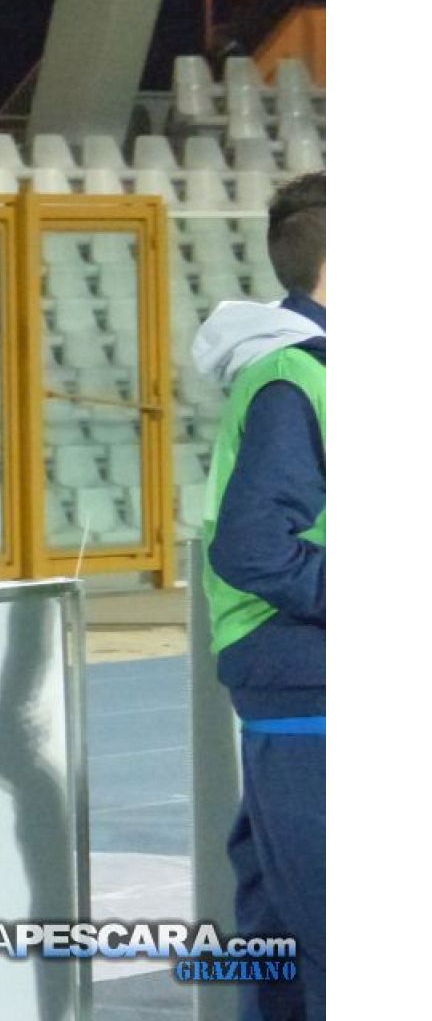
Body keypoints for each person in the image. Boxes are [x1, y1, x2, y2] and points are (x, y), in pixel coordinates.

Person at [193, 169, 326, 1018]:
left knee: (283, 945)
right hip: (312, 685)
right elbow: (253, 547)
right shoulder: (297, 376)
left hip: (298, 684)